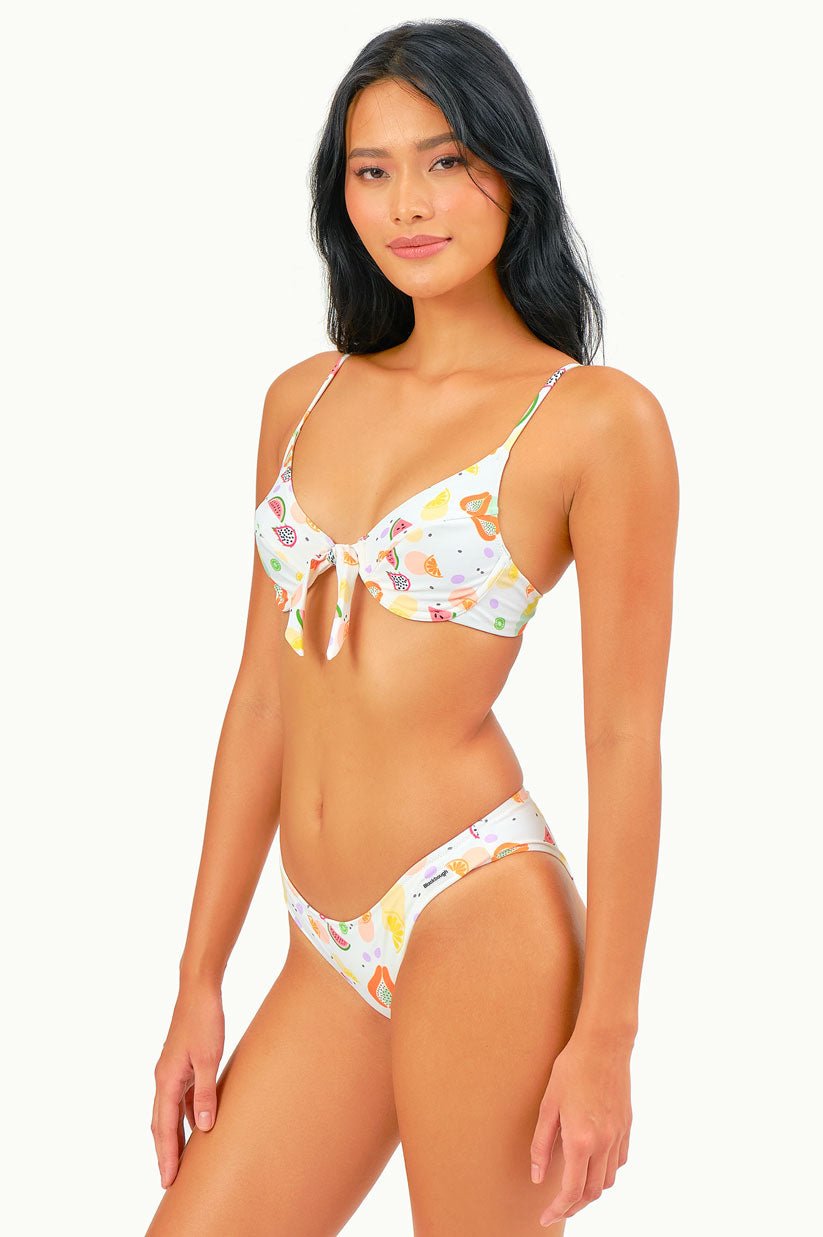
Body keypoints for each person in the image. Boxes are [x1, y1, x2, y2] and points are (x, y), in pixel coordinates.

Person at [146, 18, 678, 1236]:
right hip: (321, 942)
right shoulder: (303, 398)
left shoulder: (595, 421)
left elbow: (623, 740)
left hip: (476, 912)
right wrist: (197, 977)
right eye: (371, 170)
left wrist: (607, 1036)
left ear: (510, 170)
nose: (408, 204)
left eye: (445, 161)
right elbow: (261, 698)